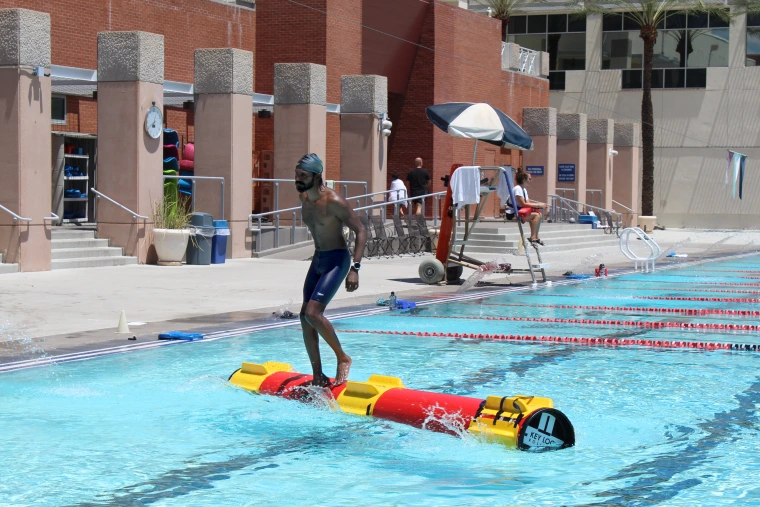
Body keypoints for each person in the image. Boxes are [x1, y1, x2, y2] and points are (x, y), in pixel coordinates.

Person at [296, 153, 366, 387]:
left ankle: (343, 358)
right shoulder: (304, 197)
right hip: (318, 259)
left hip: (337, 259)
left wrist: (355, 268)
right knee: (304, 317)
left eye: (303, 175)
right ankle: (318, 374)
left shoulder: (335, 201)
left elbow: (360, 231)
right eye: (297, 174)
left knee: (314, 313)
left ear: (317, 177)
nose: (298, 179)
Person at [513, 168, 548, 247]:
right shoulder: (517, 189)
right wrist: (539, 204)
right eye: (529, 179)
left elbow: (528, 203)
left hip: (521, 212)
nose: (531, 180)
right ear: (524, 179)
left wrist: (541, 206)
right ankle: (532, 237)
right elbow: (524, 204)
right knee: (536, 215)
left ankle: (536, 236)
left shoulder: (524, 190)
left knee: (539, 214)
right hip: (513, 214)